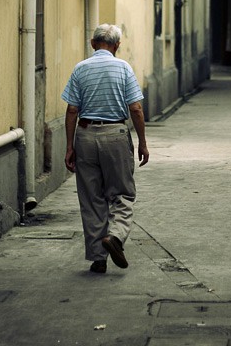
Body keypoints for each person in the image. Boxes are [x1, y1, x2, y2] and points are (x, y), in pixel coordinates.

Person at [62, 23, 149, 274]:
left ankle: (98, 258)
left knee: (91, 199)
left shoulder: (80, 69)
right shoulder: (123, 68)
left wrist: (70, 146)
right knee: (122, 194)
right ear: (117, 46)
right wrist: (142, 142)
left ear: (92, 43)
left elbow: (71, 110)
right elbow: (136, 108)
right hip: (115, 136)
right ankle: (116, 236)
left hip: (86, 136)